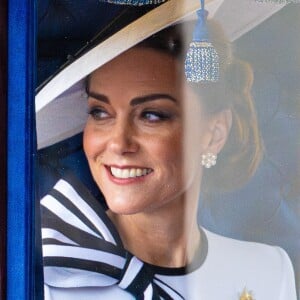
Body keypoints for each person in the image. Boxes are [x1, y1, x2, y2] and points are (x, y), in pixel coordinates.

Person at [40, 20, 297, 300]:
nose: (117, 142)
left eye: (152, 115)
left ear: (213, 134)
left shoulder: (269, 271)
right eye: (100, 113)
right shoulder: (47, 271)